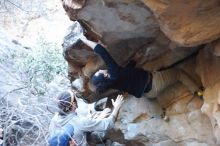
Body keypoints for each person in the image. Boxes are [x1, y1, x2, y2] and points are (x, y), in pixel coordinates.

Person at [79, 34, 203, 99]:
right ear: (105, 75)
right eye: (99, 72)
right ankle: (198, 91)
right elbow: (102, 51)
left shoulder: (112, 81)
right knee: (178, 73)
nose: (100, 69)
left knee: (156, 77)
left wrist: (134, 60)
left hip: (147, 93)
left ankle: (162, 113)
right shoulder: (113, 74)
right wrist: (83, 40)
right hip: (154, 84)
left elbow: (125, 73)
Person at [49, 90, 124, 146]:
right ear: (73, 104)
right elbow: (108, 124)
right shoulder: (79, 122)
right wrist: (117, 107)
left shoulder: (54, 120)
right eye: (75, 99)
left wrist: (96, 118)